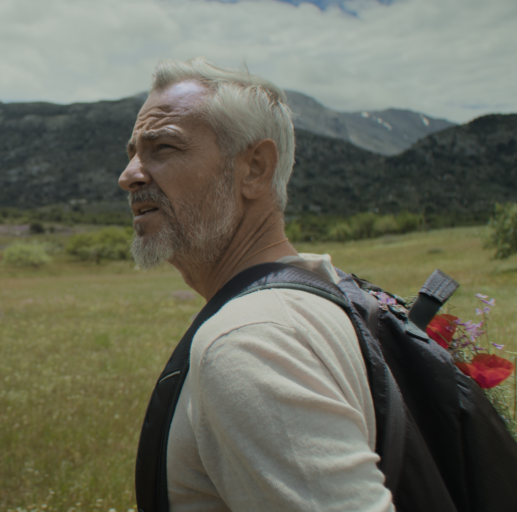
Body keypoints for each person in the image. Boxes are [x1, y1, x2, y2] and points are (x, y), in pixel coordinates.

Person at [119, 57, 394, 511]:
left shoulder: (247, 341)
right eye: (131, 153)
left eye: (163, 148)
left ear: (254, 169)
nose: (129, 176)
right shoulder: (325, 291)